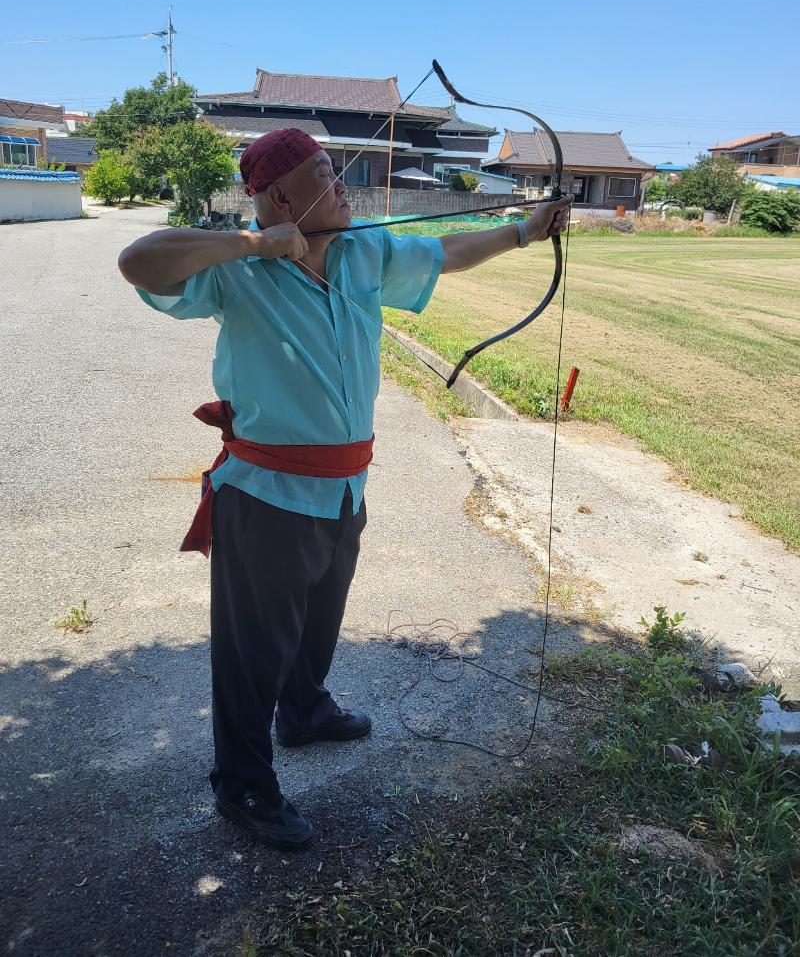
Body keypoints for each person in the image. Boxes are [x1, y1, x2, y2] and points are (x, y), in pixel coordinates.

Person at [118, 128, 571, 850]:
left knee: (317, 619)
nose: (345, 187)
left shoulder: (364, 252)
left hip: (343, 489)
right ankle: (242, 784)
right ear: (282, 196)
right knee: (252, 649)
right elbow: (137, 262)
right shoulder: (235, 271)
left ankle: (303, 710)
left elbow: (447, 251)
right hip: (266, 495)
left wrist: (524, 231)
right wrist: (251, 243)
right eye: (328, 175)